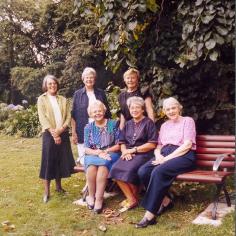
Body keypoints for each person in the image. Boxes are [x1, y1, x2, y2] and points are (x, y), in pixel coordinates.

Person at [135, 97, 196, 228]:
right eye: (167, 109)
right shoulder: (164, 125)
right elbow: (159, 146)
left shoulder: (188, 121)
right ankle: (166, 201)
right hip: (164, 153)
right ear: (164, 111)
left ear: (179, 108)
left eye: (173, 108)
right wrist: (158, 155)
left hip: (184, 155)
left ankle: (150, 215)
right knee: (143, 171)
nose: (171, 111)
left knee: (158, 171)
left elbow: (187, 145)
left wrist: (166, 160)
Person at [109, 96, 157, 212]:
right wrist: (125, 151)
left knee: (129, 170)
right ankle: (132, 199)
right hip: (128, 153)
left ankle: (132, 198)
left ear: (142, 109)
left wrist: (133, 150)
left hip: (144, 154)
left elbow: (152, 144)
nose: (134, 110)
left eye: (137, 108)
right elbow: (122, 141)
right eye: (132, 108)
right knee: (115, 169)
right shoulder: (128, 124)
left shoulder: (149, 123)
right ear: (129, 110)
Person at [37, 75, 76, 203]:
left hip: (62, 132)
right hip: (49, 134)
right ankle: (47, 192)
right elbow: (43, 118)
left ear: (57, 84)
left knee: (60, 160)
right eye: (49, 84)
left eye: (54, 83)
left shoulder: (63, 99)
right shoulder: (41, 99)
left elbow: (68, 116)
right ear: (46, 86)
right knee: (48, 161)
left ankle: (59, 187)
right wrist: (54, 133)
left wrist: (61, 129)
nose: (52, 86)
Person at [83, 100, 120, 213]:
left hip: (111, 153)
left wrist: (106, 151)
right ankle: (91, 196)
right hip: (94, 154)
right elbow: (86, 148)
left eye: (99, 111)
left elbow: (119, 145)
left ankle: (99, 199)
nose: (97, 113)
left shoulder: (113, 124)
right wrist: (99, 153)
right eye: (94, 112)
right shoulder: (88, 127)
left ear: (104, 111)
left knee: (103, 167)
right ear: (91, 114)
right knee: (91, 167)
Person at [71, 67, 111, 165]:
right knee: (84, 156)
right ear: (83, 79)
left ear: (94, 79)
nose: (89, 79)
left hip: (100, 127)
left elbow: (108, 112)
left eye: (91, 77)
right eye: (87, 77)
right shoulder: (78, 94)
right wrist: (73, 132)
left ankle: (101, 175)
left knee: (100, 153)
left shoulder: (101, 93)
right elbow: (73, 115)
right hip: (82, 128)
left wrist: (109, 129)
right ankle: (89, 176)